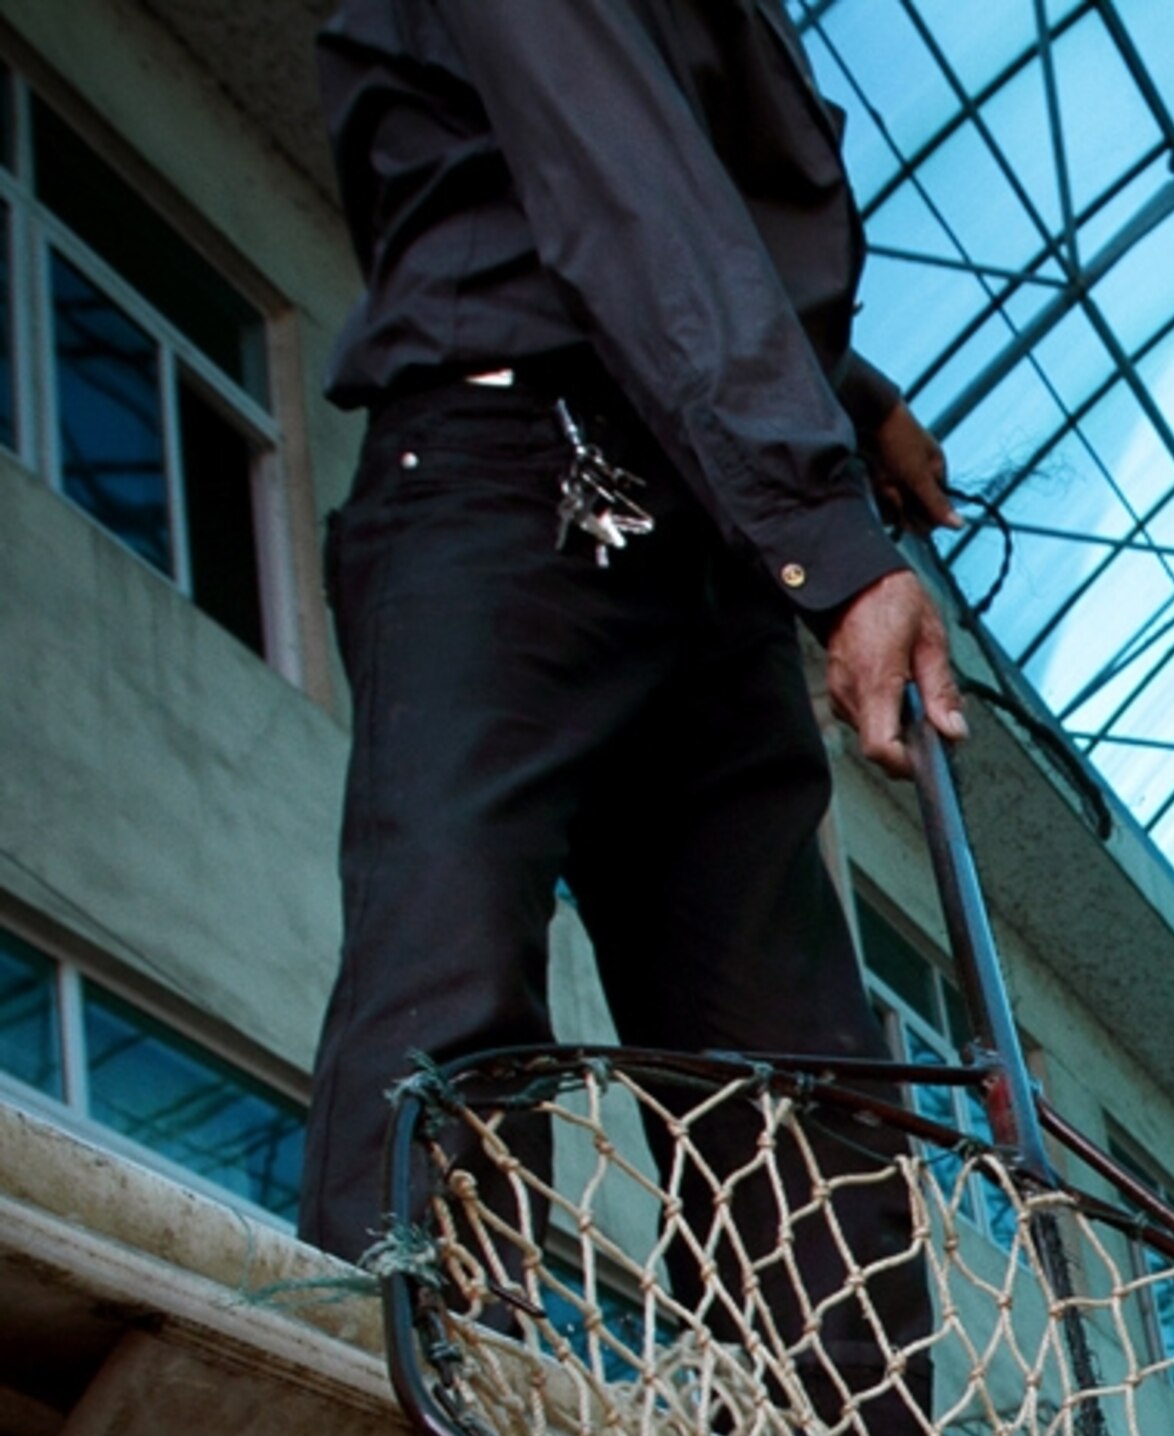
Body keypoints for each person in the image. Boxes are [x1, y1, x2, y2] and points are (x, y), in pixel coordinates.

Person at [298, 0, 969, 1261]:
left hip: (702, 529)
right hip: (511, 478)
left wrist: (851, 394)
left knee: (798, 1082)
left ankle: (838, 1401)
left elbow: (692, 207)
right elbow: (625, 185)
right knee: (453, 995)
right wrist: (827, 537)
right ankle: (420, 1354)